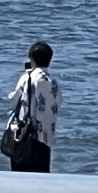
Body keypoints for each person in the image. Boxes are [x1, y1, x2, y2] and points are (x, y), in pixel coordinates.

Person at [5, 41, 62, 173]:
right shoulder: (53, 81)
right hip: (46, 137)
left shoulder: (27, 77)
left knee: (21, 175)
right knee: (42, 175)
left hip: (25, 135)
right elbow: (58, 103)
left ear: (32, 59)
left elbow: (15, 101)